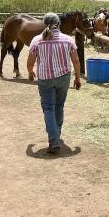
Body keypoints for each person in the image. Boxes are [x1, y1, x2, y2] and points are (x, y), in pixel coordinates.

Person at [27, 13, 82, 153]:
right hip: (64, 77)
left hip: (45, 78)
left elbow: (30, 61)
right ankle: (56, 135)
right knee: (59, 106)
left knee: (48, 108)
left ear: (44, 24)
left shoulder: (37, 40)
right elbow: (75, 60)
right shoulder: (68, 39)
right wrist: (77, 77)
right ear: (59, 24)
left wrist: (30, 72)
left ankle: (54, 140)